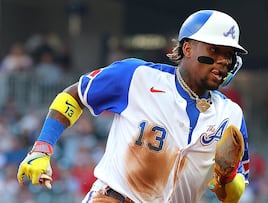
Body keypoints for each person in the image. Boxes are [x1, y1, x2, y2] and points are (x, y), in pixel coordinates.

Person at [17, 9, 250, 203]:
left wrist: (228, 178)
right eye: (214, 50)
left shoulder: (231, 115)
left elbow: (232, 196)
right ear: (187, 48)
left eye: (229, 55)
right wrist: (42, 148)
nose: (223, 60)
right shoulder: (138, 76)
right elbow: (74, 95)